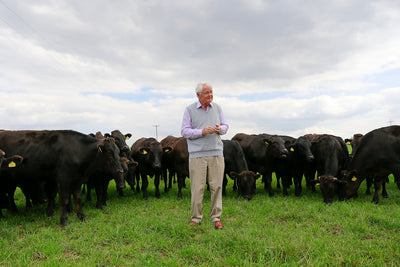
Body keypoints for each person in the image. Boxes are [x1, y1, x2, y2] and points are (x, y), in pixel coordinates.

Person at [181, 82, 229, 229]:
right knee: (197, 187)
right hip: (197, 155)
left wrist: (219, 129)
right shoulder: (189, 110)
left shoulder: (218, 108)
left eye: (211, 92)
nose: (210, 95)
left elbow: (225, 126)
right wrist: (202, 131)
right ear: (198, 95)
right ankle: (196, 218)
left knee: (217, 186)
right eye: (207, 92)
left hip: (216, 153)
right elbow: (184, 131)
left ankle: (216, 217)